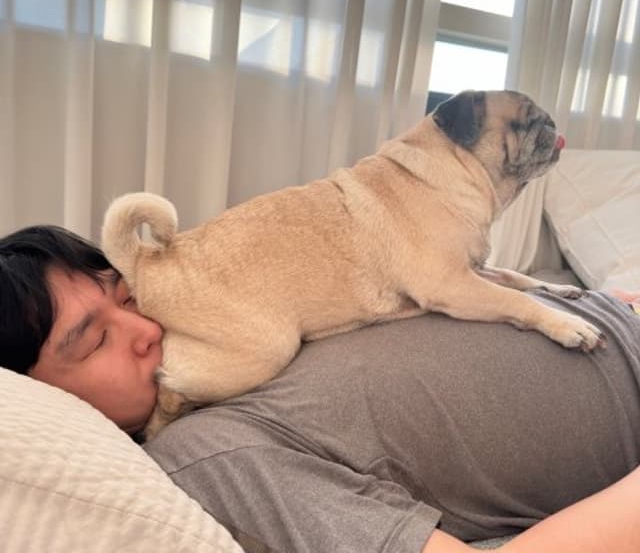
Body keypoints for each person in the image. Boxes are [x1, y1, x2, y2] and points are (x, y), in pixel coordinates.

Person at [1, 225, 639, 553]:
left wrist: (597, 305)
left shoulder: (213, 335)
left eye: (127, 298)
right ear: (39, 396)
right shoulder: (204, 454)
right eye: (95, 342)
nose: (145, 329)